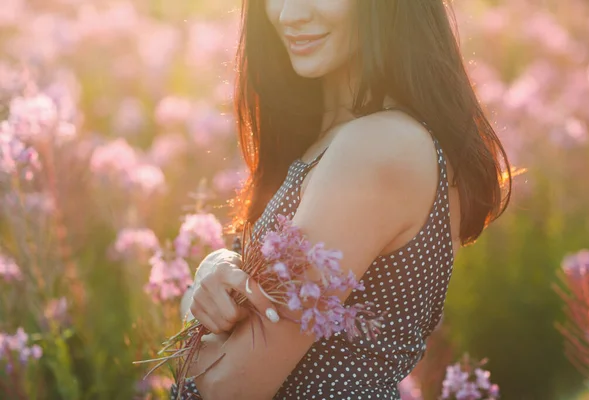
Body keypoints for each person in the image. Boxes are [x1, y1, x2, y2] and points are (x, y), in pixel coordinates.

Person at [172, 0, 512, 399]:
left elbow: (225, 387)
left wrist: (187, 311)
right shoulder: (337, 140)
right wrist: (212, 272)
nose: (288, 14)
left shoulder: (377, 148)